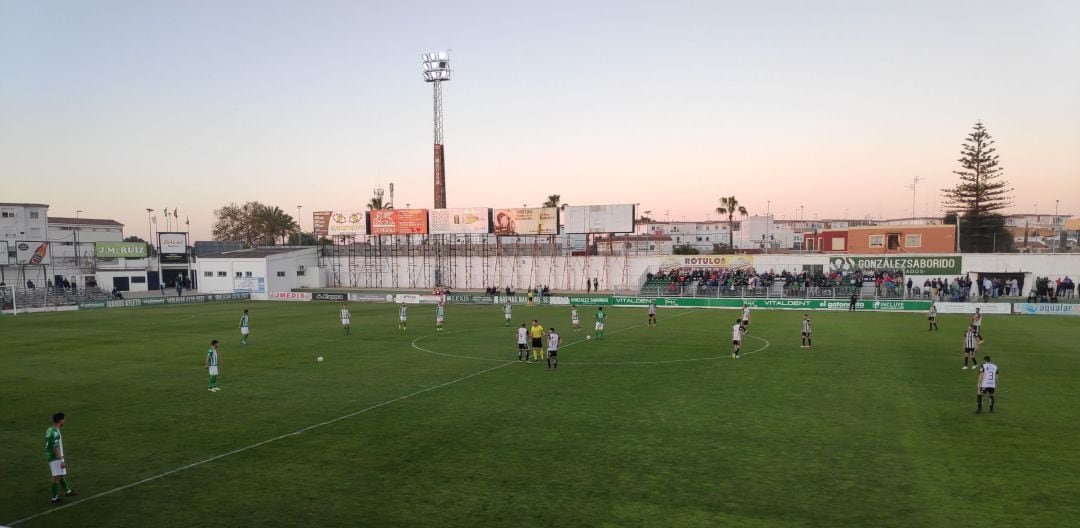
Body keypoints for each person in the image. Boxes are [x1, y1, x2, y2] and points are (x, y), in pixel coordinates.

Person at [45, 412, 75, 503]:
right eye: (64, 419)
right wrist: (61, 460)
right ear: (60, 420)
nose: (64, 421)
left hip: (52, 455)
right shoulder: (55, 433)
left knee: (61, 474)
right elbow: (55, 447)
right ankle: (54, 498)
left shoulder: (50, 429)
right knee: (56, 477)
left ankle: (67, 491)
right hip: (55, 457)